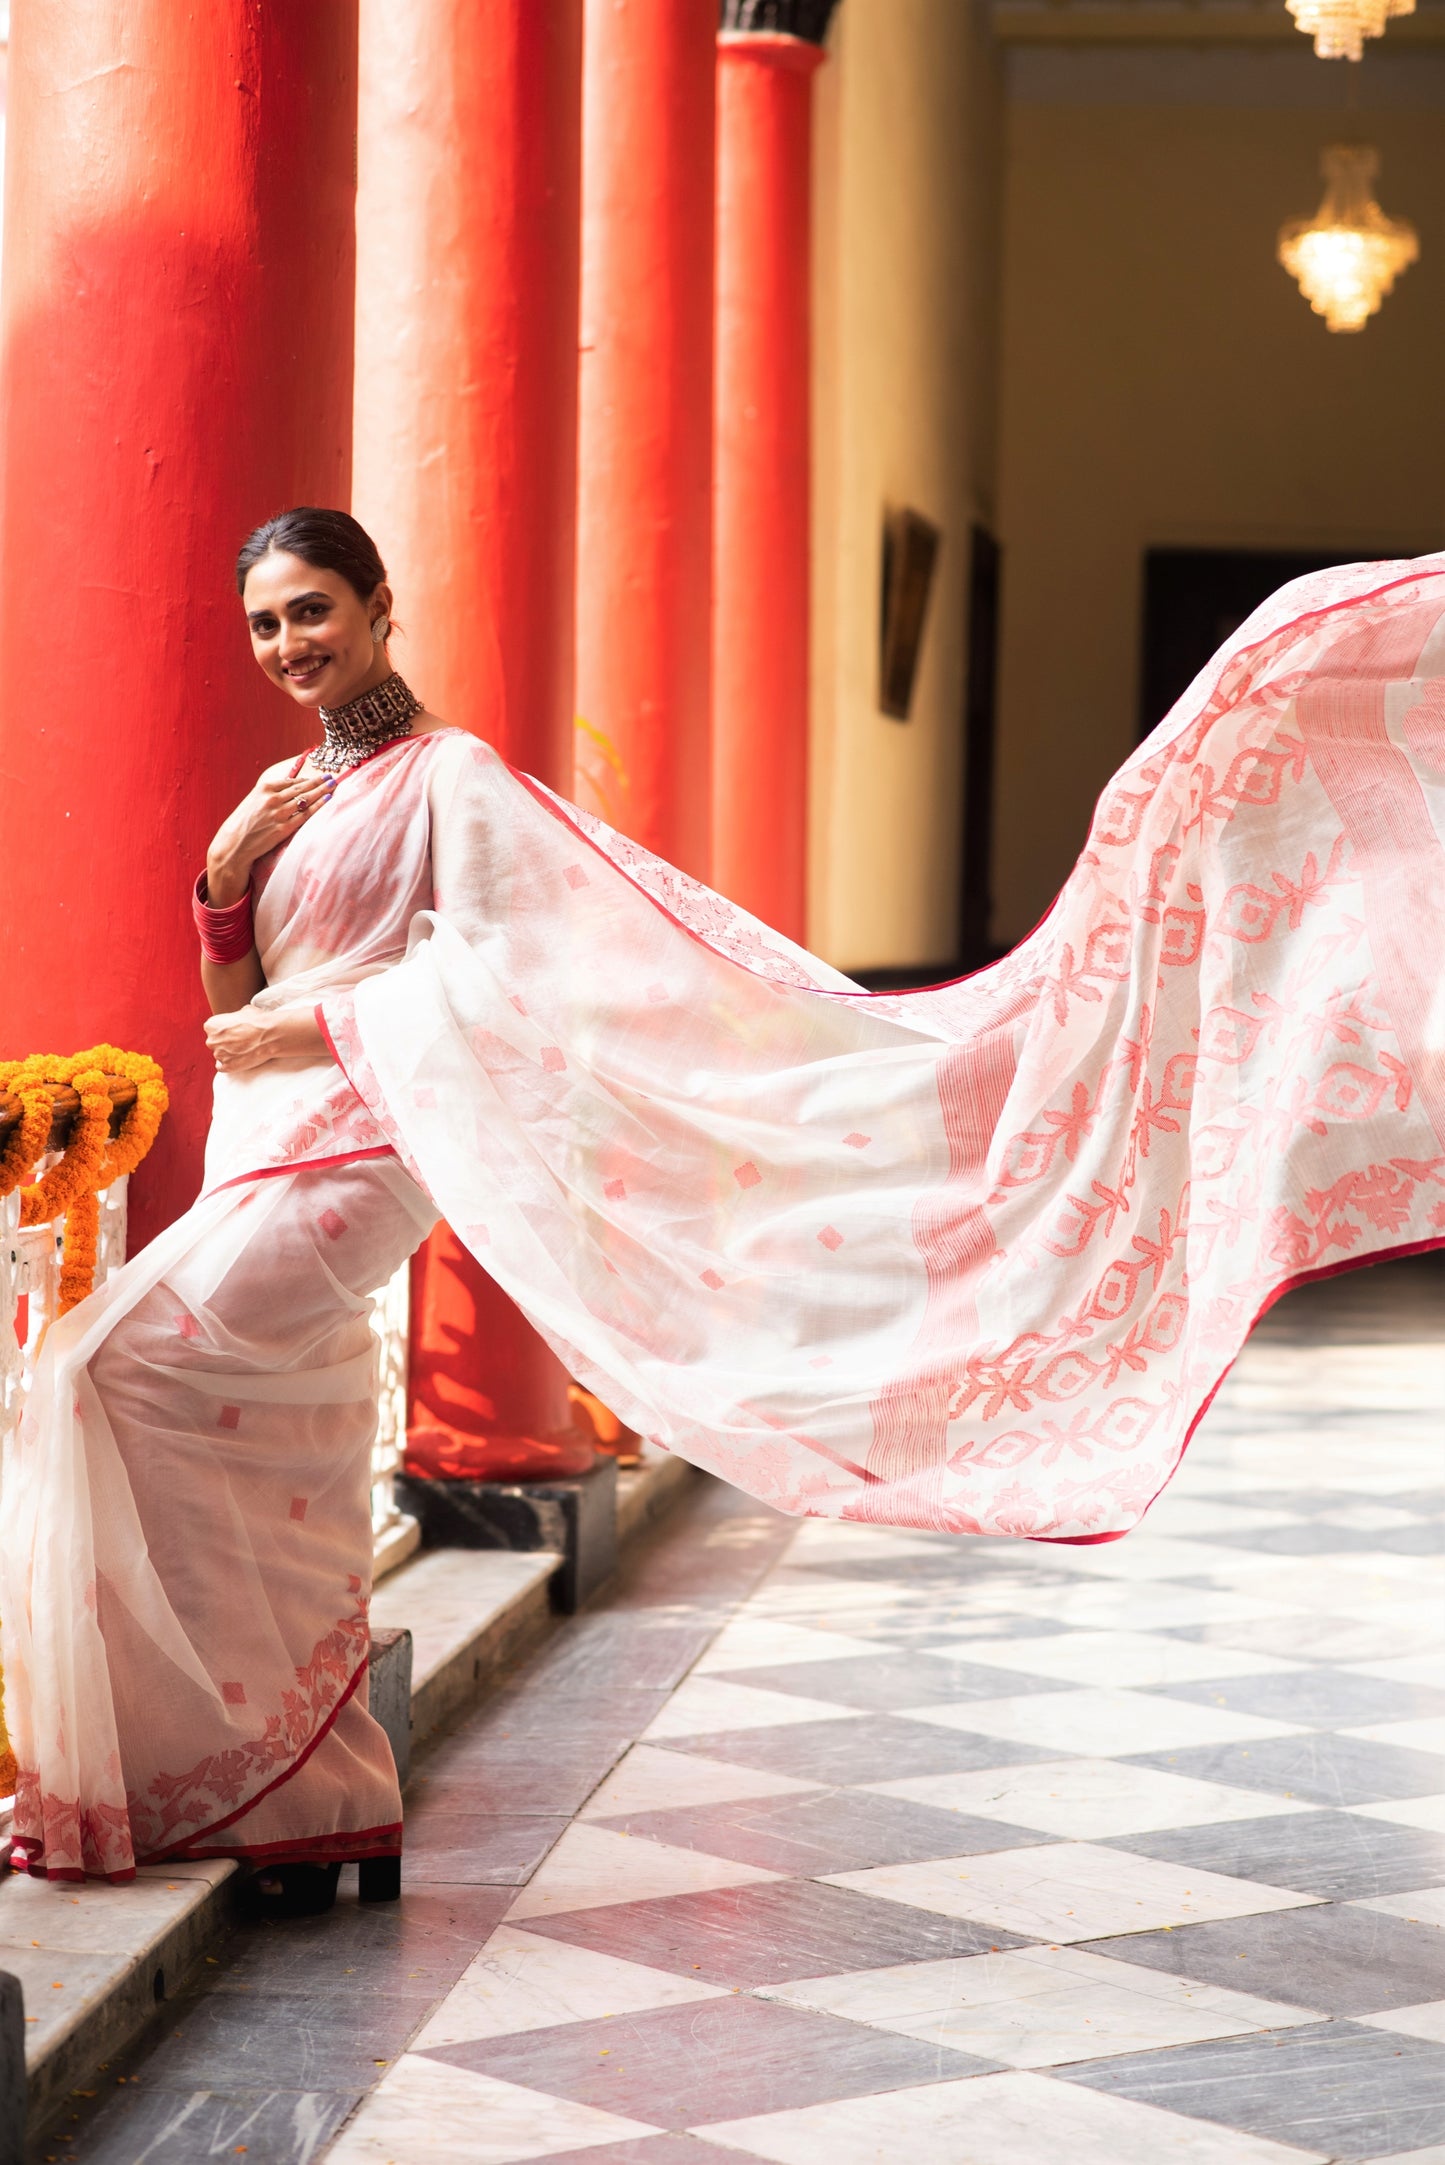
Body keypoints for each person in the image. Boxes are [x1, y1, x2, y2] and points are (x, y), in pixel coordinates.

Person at [3, 509, 1442, 1904]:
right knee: (232, 1423)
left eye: (313, 608)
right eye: (264, 622)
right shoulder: (297, 795)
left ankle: (240, 1770)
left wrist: (323, 1036)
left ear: (383, 609)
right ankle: (297, 1789)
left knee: (115, 1369)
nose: (287, 641)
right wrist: (222, 879)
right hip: (281, 1134)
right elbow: (232, 1021)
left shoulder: (455, 778)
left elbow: (520, 978)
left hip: (368, 1145)